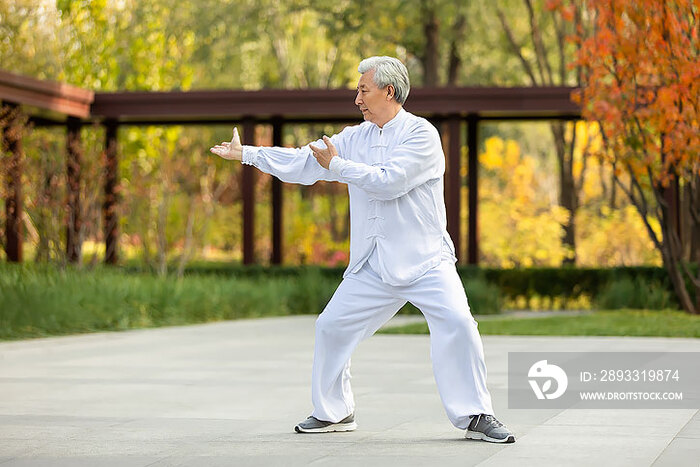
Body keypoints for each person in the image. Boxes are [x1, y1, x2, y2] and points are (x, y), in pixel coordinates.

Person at [210, 56, 515, 443]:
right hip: (373, 264)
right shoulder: (354, 137)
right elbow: (306, 161)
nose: (357, 99)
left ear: (389, 91)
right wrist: (248, 154)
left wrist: (338, 167)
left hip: (426, 262)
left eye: (363, 90)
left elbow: (389, 182)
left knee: (457, 325)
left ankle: (477, 416)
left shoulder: (421, 135)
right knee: (331, 327)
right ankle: (335, 412)